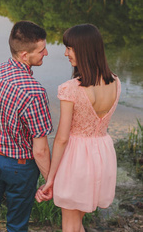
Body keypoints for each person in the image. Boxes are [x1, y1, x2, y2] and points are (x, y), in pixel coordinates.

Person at [35, 24, 121, 232]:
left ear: (84, 49)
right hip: (102, 155)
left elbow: (62, 138)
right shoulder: (116, 82)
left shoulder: (71, 89)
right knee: (77, 221)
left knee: (70, 225)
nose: (65, 53)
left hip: (77, 160)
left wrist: (51, 178)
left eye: (70, 48)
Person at [0, 20, 53, 231]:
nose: (46, 53)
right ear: (25, 55)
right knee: (17, 224)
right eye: (42, 50)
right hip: (19, 166)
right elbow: (41, 149)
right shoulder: (34, 92)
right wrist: (51, 181)